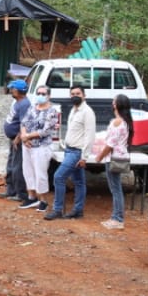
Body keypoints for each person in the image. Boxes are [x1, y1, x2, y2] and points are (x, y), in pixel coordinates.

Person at [47, 84, 97, 221]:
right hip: (69, 149)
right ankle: (78, 210)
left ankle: (57, 210)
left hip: (77, 152)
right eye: (73, 94)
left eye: (78, 94)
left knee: (58, 177)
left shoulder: (87, 112)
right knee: (79, 182)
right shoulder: (73, 110)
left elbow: (90, 135)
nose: (75, 96)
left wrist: (84, 157)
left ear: (84, 95)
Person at [95, 93, 134, 229]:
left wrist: (99, 156)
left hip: (112, 158)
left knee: (115, 189)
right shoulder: (126, 122)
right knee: (116, 188)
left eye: (114, 101)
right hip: (121, 156)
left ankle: (117, 218)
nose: (112, 103)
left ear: (116, 105)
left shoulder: (117, 122)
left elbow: (110, 144)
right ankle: (116, 217)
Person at [19, 85, 60, 211]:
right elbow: (24, 123)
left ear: (49, 96)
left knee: (40, 173)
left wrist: (27, 137)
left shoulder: (52, 111)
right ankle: (32, 197)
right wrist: (24, 137)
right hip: (28, 146)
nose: (40, 96)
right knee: (28, 171)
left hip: (42, 147)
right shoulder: (32, 107)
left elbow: (45, 131)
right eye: (39, 93)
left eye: (43, 93)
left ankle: (43, 200)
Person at [0, 79, 31, 202]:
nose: (11, 90)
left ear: (18, 91)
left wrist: (18, 138)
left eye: (13, 88)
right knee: (11, 164)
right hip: (12, 139)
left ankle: (21, 194)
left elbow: (25, 123)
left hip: (17, 140)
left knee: (17, 166)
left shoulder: (24, 104)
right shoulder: (17, 102)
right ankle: (10, 190)